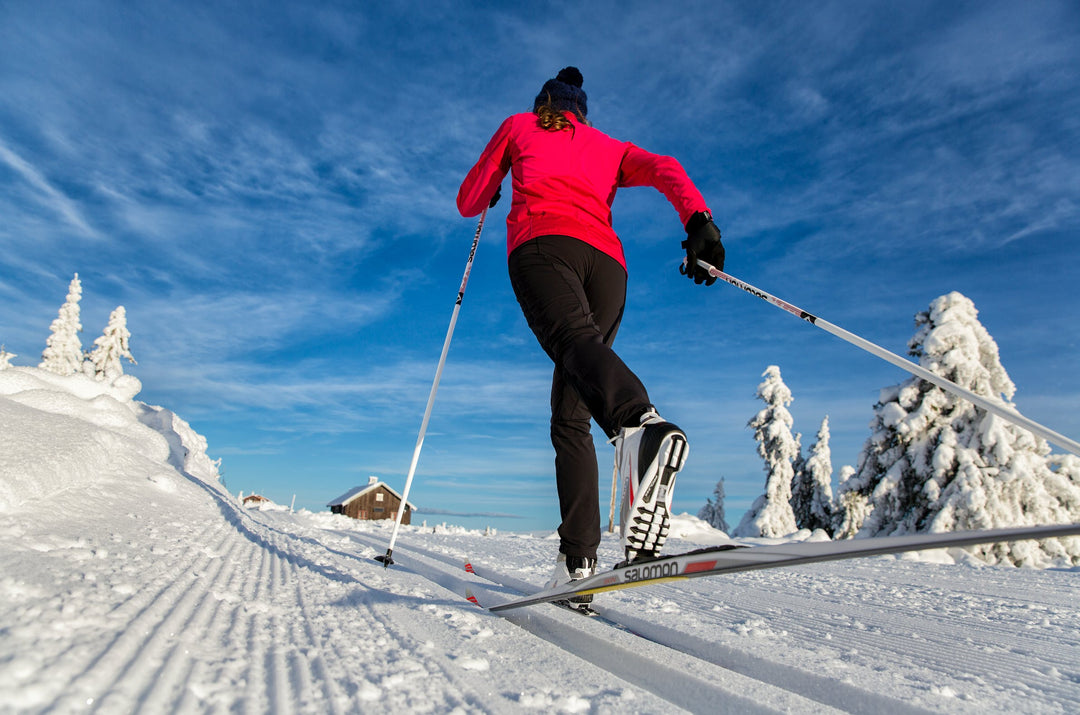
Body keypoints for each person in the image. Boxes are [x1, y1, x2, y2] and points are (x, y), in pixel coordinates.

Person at [457, 67, 724, 608]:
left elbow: (469, 199)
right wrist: (700, 221)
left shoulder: (519, 126)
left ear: (544, 105)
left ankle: (638, 424)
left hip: (543, 244)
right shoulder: (609, 146)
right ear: (582, 111)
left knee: (574, 346)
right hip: (607, 266)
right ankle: (578, 562)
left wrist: (494, 184)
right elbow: (666, 168)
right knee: (570, 409)